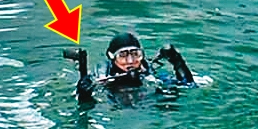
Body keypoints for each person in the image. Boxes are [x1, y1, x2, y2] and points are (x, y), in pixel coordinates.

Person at [66, 31, 194, 105]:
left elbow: (188, 86)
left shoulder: (149, 74)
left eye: (135, 54)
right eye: (123, 55)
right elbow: (86, 106)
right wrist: (84, 93)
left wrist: (177, 61)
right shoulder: (102, 77)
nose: (131, 61)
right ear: (112, 57)